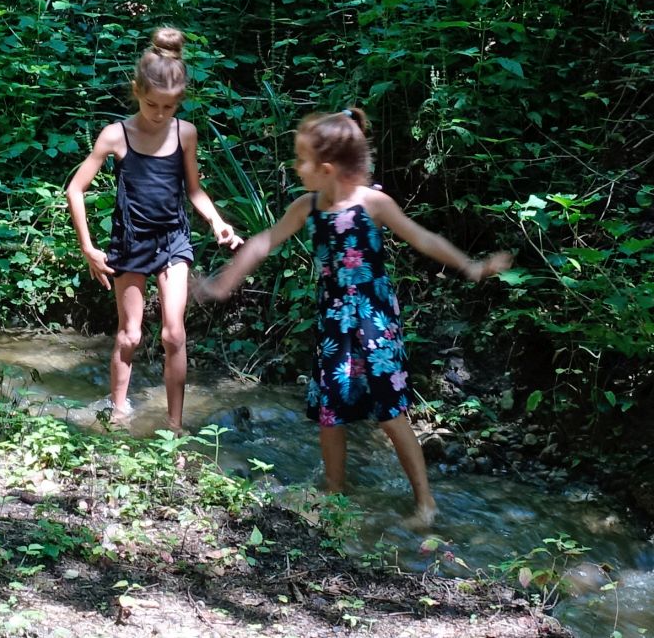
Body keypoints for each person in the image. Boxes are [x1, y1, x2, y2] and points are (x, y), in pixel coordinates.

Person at [196, 108, 511, 526]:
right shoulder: (307, 206)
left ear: (327, 169)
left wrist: (470, 266)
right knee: (331, 407)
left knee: (390, 411)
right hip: (333, 324)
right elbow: (262, 243)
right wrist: (222, 284)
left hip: (375, 321)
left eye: (302, 159)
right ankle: (334, 492)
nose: (296, 166)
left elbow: (423, 237)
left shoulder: (372, 203)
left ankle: (426, 504)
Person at [65, 27, 242, 433]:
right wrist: (88, 248)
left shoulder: (185, 133)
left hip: (173, 240)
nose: (160, 113)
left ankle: (175, 424)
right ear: (136, 90)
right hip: (130, 243)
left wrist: (217, 222)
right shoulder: (116, 135)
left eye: (168, 106)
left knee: (174, 333)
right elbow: (75, 190)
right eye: (151, 104)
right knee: (130, 335)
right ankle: (118, 412)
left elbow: (194, 191)